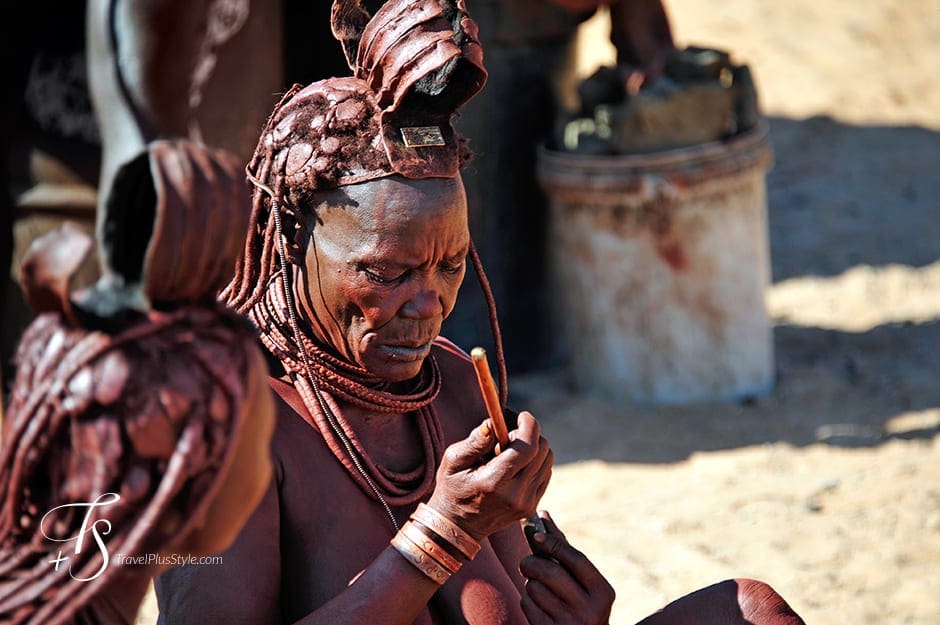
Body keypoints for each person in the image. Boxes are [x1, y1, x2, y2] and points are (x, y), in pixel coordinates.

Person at [157, 2, 804, 624]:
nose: (429, 304)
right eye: (387, 272)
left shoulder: (457, 388)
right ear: (294, 240)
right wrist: (441, 533)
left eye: (450, 265)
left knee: (751, 609)